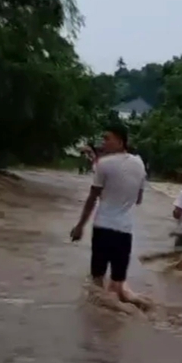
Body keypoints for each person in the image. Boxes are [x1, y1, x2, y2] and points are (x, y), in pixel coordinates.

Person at [70, 124, 146, 303]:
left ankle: (96, 323)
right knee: (118, 286)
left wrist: (80, 226)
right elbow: (139, 199)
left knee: (97, 283)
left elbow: (92, 198)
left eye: (107, 138)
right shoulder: (140, 164)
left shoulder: (103, 164)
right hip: (125, 232)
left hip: (103, 228)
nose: (103, 143)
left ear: (120, 142)